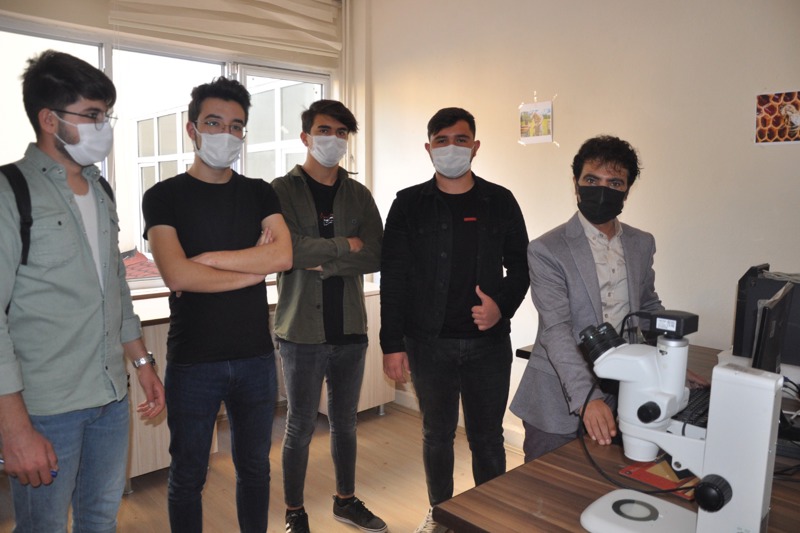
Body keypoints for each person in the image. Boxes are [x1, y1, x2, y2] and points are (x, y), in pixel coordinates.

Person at [0, 50, 165, 532]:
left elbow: (114, 287)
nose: (103, 127)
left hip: (110, 396)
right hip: (45, 408)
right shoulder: (11, 192)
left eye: (106, 115)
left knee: (100, 520)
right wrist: (14, 429)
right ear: (49, 119)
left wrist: (142, 363)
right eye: (92, 115)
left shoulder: (101, 190)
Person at [142, 76, 292, 533]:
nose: (226, 134)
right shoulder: (163, 196)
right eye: (213, 123)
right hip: (193, 361)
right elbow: (177, 275)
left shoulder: (260, 192)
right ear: (192, 129)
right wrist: (252, 270)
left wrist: (207, 260)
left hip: (255, 357)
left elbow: (283, 256)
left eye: (236, 126)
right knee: (188, 476)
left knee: (256, 469)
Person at [380, 107, 529, 533]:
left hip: (488, 345)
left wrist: (501, 306)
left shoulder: (500, 200)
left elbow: (522, 266)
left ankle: (489, 517)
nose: (451, 148)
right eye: (441, 141)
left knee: (488, 439)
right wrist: (392, 344)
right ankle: (441, 514)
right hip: (428, 344)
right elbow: (394, 276)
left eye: (460, 140)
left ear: (475, 147)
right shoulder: (408, 204)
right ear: (428, 148)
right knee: (437, 435)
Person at [509, 135, 696, 462]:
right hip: (558, 397)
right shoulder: (547, 249)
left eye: (615, 183)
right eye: (592, 180)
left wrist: (671, 363)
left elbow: (647, 307)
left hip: (625, 389)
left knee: (609, 479)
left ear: (627, 190)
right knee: (549, 486)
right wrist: (588, 397)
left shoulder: (641, 243)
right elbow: (556, 329)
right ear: (576, 184)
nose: (602, 189)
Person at [271, 100, 386, 533]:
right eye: (324, 130)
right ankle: (294, 512)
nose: (333, 139)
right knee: (300, 425)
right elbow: (288, 250)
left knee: (345, 424)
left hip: (350, 327)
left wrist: (324, 261)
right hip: (300, 329)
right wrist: (345, 245)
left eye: (341, 133)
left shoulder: (359, 195)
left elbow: (376, 253)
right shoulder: (281, 191)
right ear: (305, 137)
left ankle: (345, 501)